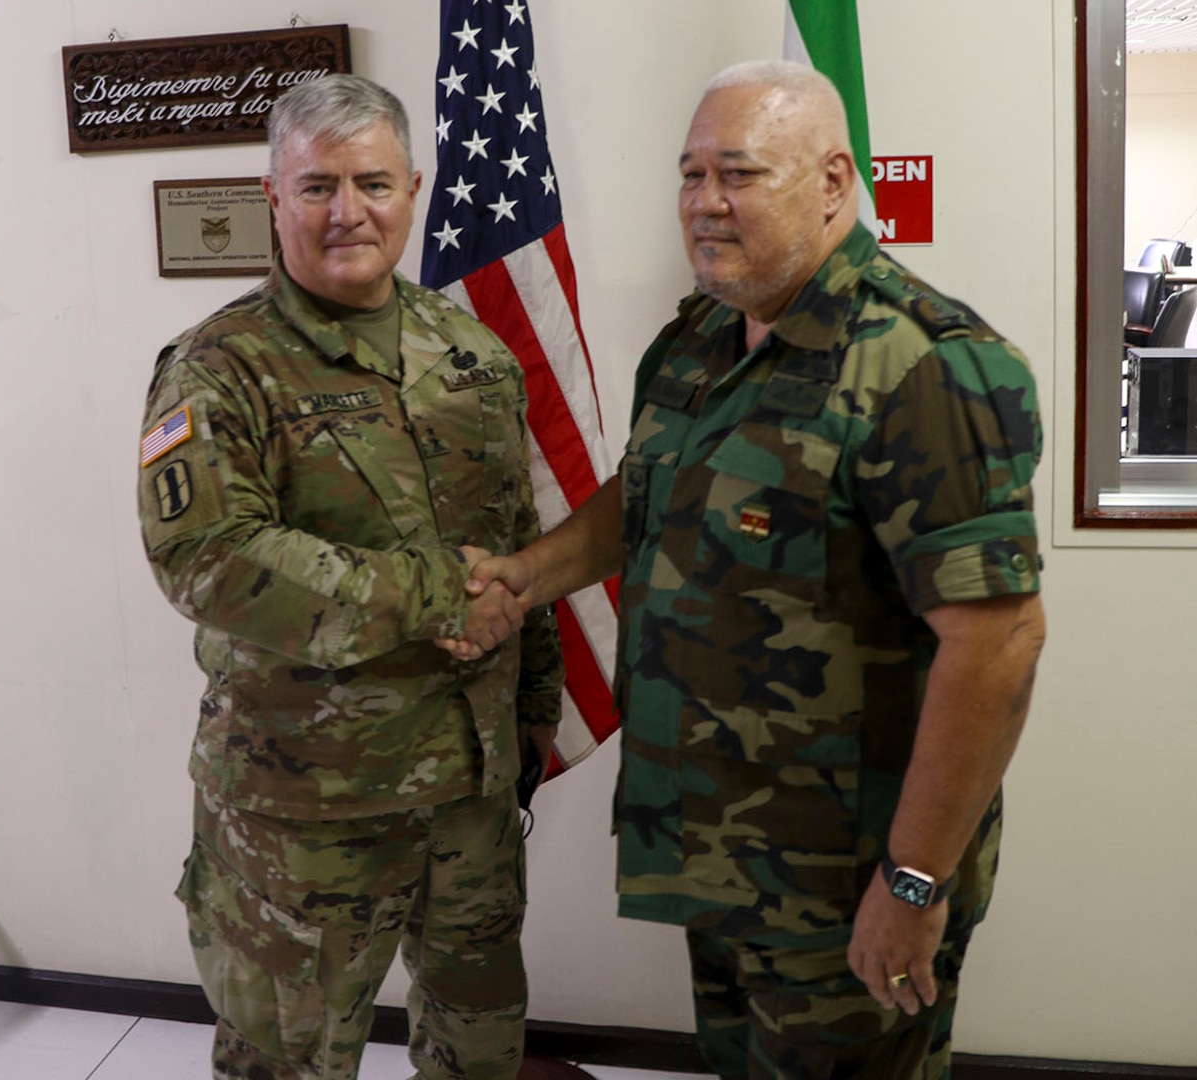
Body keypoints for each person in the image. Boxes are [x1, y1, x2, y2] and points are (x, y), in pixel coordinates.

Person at [446, 59, 1046, 1080]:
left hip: (841, 877)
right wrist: (525, 574)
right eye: (689, 175)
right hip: (716, 852)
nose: (704, 204)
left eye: (738, 174)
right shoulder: (695, 343)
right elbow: (645, 499)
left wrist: (910, 883)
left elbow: (995, 642)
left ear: (831, 181)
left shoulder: (925, 365)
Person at [137, 74, 562, 1080]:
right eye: (317, 185)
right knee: (285, 1059)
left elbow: (516, 541)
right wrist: (436, 593)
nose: (347, 212)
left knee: (478, 1041)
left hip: (469, 787)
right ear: (271, 195)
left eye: (371, 182)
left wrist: (536, 696)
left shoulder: (473, 355)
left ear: (413, 187)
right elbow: (211, 561)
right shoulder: (218, 366)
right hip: (306, 807)